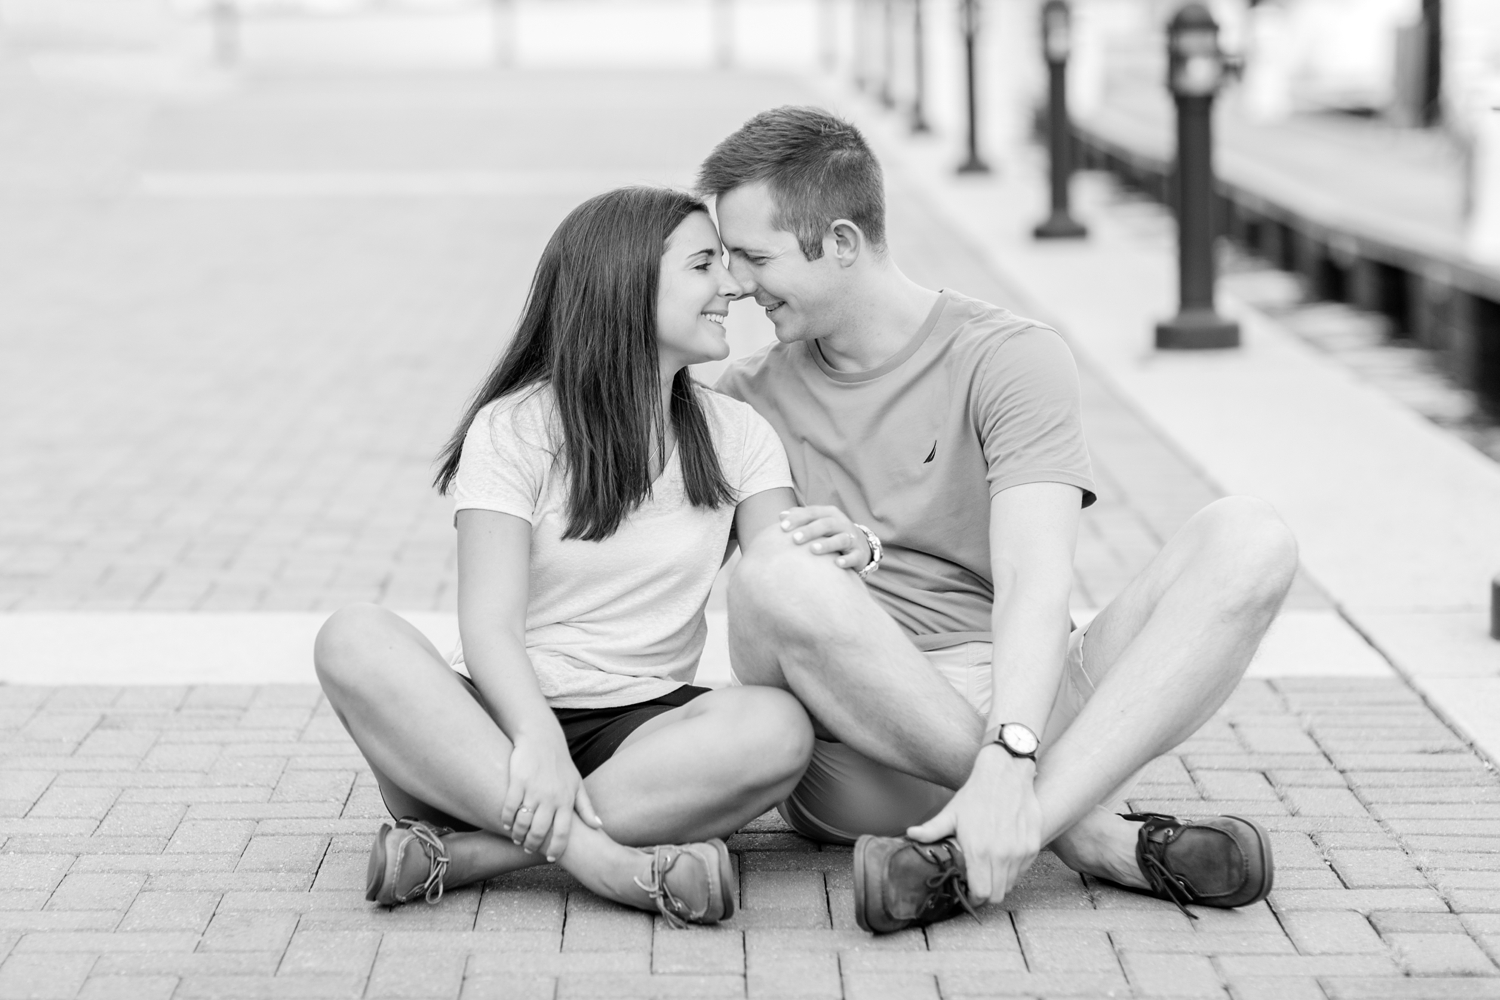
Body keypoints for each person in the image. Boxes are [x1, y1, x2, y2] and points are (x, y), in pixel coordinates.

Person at [699, 107, 1298, 932]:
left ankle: (978, 845)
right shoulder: (738, 400)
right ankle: (1087, 835)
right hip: (854, 747)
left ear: (840, 242)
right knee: (770, 575)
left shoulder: (1008, 356)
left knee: (1252, 537)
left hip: (1021, 702)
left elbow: (1033, 579)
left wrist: (1012, 744)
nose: (734, 284)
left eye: (753, 258)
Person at [313, 186, 825, 927]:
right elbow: (489, 627)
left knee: (778, 728)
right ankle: (606, 864)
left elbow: (789, 577)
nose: (733, 287)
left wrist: (851, 549)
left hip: (645, 736)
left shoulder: (740, 435)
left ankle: (471, 856)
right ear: (626, 283)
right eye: (704, 265)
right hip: (487, 732)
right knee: (351, 636)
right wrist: (537, 740)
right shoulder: (516, 428)